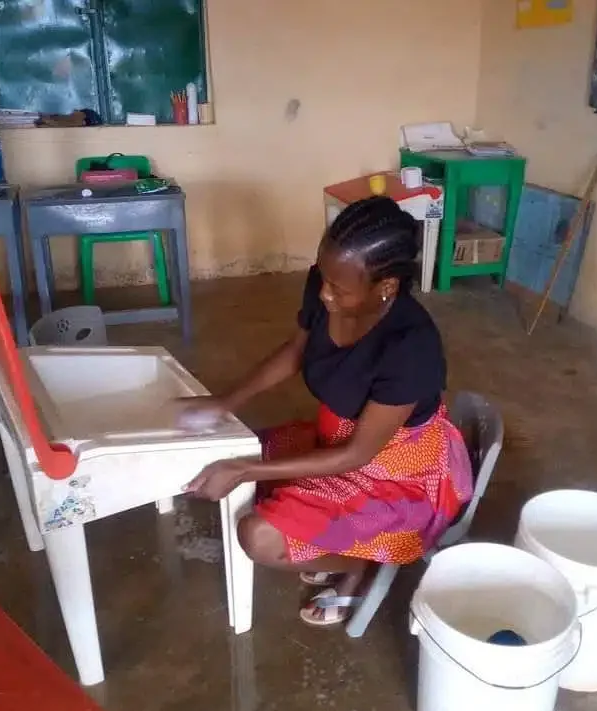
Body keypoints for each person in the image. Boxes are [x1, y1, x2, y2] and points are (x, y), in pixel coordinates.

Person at [177, 196, 473, 628]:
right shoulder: (328, 285)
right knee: (240, 454)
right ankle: (340, 551)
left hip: (393, 474)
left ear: (386, 286)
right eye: (324, 276)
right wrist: (226, 401)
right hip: (334, 440)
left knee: (259, 535)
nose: (324, 293)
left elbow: (358, 456)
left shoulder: (411, 349)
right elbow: (298, 349)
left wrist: (242, 469)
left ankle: (357, 567)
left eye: (340, 288)